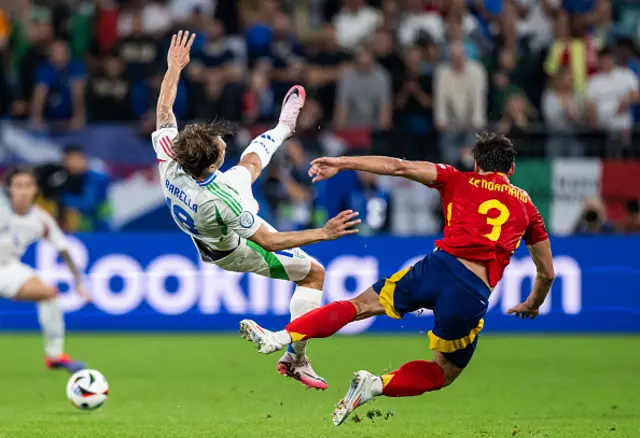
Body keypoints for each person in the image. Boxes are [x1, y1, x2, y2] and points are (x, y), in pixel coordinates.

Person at [240, 132, 555, 425]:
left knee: (359, 305)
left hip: (437, 268)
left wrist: (342, 162)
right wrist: (532, 303)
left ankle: (280, 337)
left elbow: (398, 167)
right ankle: (373, 385)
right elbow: (547, 273)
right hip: (472, 291)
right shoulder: (528, 207)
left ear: (476, 164)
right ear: (511, 169)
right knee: (443, 372)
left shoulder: (457, 178)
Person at [153, 31, 360, 390]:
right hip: (235, 249)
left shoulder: (172, 161)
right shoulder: (224, 196)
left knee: (249, 164)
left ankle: (282, 128)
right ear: (215, 161)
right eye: (220, 145)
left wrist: (174, 68)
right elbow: (271, 241)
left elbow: (164, 109)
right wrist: (323, 233)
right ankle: (296, 358)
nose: (223, 144)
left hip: (203, 226)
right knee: (313, 274)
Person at [0, 166, 87, 372]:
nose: (23, 191)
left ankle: (55, 356)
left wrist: (78, 284)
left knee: (49, 294)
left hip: (8, 268)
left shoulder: (41, 219)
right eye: (18, 186)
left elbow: (64, 251)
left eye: (28, 185)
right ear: (9, 189)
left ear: (35, 190)